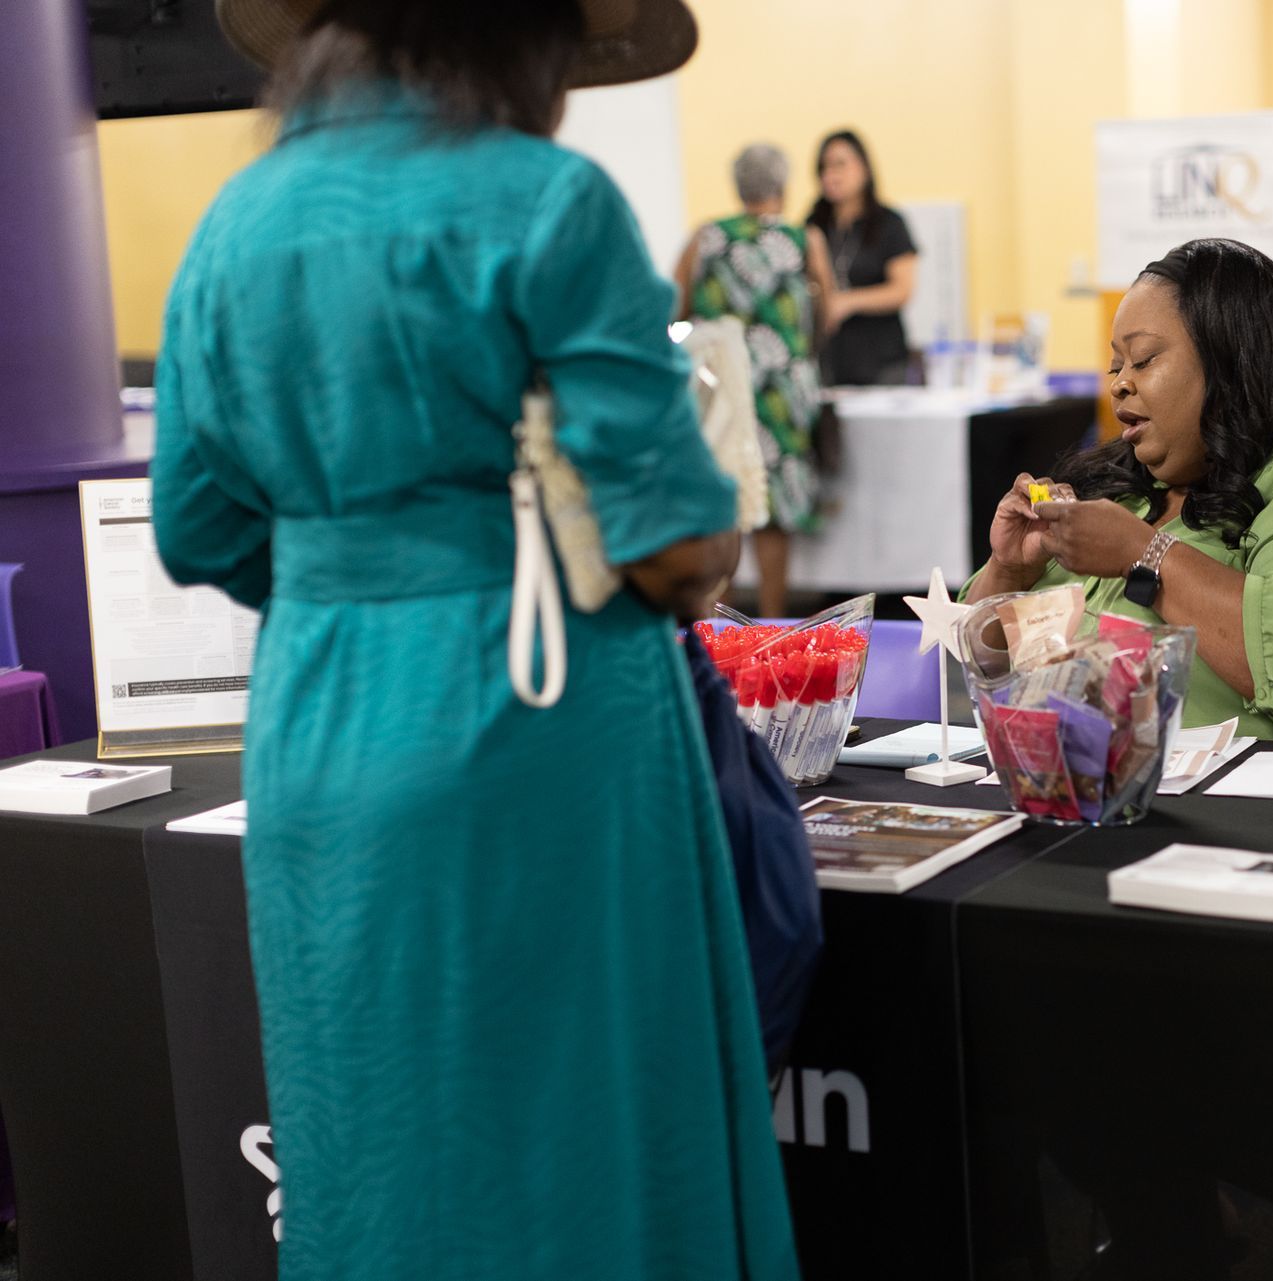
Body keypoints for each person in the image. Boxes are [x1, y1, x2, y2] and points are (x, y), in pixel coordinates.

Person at [150, 2, 798, 1278]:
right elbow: (674, 551)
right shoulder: (548, 199)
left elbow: (195, 528)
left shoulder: (235, 223)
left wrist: (358, 576)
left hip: (319, 727)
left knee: (368, 1135)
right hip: (543, 729)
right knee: (575, 1141)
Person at [966, 237, 1273, 743]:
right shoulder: (1122, 486)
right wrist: (1010, 570)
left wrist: (1145, 554)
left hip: (1259, 810)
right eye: (1116, 366)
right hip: (1070, 787)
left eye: (1144, 360)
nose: (1120, 384)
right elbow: (988, 667)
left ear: (1231, 359)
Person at [675, 143, 834, 619]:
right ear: (782, 188)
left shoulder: (706, 238)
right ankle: (769, 620)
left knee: (725, 491)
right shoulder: (804, 240)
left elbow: (677, 307)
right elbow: (825, 311)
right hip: (782, 385)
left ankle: (714, 618)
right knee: (775, 506)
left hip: (722, 381)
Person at [804, 130, 918, 385]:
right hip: (829, 359)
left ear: (864, 167)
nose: (831, 174)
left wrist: (847, 302)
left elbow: (902, 290)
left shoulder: (889, 223)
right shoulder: (814, 225)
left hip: (881, 360)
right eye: (824, 167)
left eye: (840, 164)